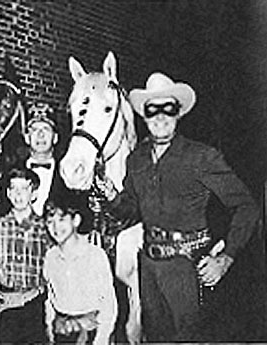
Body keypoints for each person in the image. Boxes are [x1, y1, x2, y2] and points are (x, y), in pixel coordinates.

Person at [98, 72, 260, 341]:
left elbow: (247, 206)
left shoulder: (201, 156)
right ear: (144, 115)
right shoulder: (136, 159)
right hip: (148, 267)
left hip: (187, 267)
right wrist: (112, 197)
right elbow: (130, 210)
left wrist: (226, 257)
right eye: (153, 110)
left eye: (168, 108)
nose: (160, 117)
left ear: (178, 114)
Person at [0, 102, 88, 226]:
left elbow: (83, 217)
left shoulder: (71, 173)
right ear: (27, 138)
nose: (40, 135)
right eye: (34, 130)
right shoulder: (7, 174)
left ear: (55, 138)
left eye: (46, 129)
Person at [0, 167, 49, 344]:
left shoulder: (44, 228)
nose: (18, 194)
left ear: (34, 194)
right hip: (7, 306)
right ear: (7, 193)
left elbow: (53, 267)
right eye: (14, 189)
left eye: (24, 189)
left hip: (35, 304)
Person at [43, 202, 117, 345]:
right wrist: (50, 330)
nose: (56, 228)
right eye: (50, 222)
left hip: (91, 332)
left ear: (76, 220)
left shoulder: (95, 255)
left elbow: (108, 304)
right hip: (63, 332)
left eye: (61, 220)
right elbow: (50, 297)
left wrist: (101, 338)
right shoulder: (50, 257)